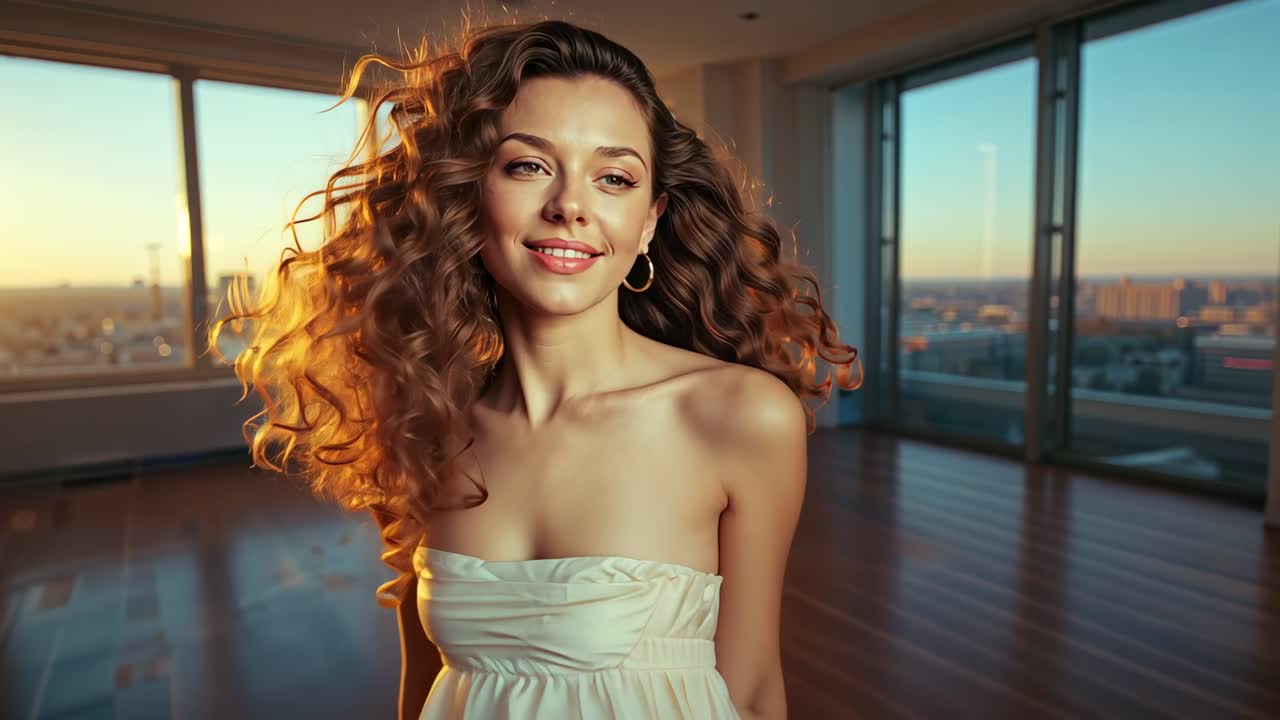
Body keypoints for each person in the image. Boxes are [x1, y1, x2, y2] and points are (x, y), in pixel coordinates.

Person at [209, 17, 861, 720]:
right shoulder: (426, 423)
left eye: (614, 178)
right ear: (464, 195)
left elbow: (756, 688)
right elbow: (424, 684)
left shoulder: (738, 416)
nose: (571, 206)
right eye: (528, 165)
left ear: (648, 222)